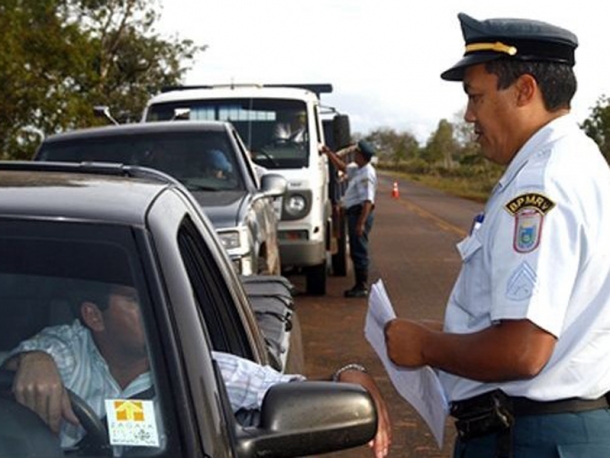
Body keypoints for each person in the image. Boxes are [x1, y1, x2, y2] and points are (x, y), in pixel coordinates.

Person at [384, 12, 610, 457]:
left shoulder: (539, 186)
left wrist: (426, 346)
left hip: (528, 439)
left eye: (476, 97)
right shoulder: (583, 163)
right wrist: (438, 330)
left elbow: (523, 351)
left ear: (525, 90)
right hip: (567, 430)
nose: (469, 115)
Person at [4, 282, 391, 457]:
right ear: (94, 316)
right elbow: (41, 353)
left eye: (158, 300)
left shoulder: (193, 369)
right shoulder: (66, 353)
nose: (158, 313)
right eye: (134, 301)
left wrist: (349, 373)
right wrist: (26, 361)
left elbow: (282, 392)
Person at [321, 140, 378, 298]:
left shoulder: (367, 174)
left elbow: (368, 202)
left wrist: (360, 224)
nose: (354, 155)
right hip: (354, 214)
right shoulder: (358, 169)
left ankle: (362, 286)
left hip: (360, 214)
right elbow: (343, 167)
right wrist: (329, 153)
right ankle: (359, 285)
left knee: (359, 250)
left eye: (356, 153)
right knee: (355, 249)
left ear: (362, 156)